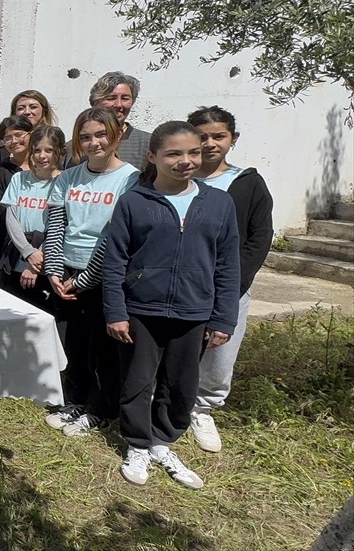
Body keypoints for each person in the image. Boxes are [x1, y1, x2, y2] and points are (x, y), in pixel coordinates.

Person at [104, 121, 239, 490]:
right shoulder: (134, 201)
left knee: (181, 384)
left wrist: (224, 317)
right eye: (174, 154)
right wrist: (116, 311)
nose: (186, 161)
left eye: (193, 152)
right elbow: (115, 259)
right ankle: (137, 443)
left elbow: (228, 263)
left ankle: (163, 440)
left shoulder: (219, 203)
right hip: (141, 310)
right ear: (153, 157)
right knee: (137, 380)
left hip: (194, 311)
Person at [41, 107, 140, 438]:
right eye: (86, 137)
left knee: (104, 348)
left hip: (106, 275)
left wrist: (86, 280)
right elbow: (57, 225)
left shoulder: (131, 179)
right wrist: (54, 271)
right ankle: (76, 400)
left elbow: (115, 235)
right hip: (66, 272)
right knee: (74, 343)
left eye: (101, 134)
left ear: (117, 134)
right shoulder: (69, 176)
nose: (94, 142)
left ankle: (101, 409)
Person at [187, 106, 273, 453]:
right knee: (178, 347)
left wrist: (235, 283)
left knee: (219, 352)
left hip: (228, 286)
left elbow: (260, 236)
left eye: (218, 136)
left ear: (232, 139)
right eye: (202, 137)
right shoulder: (177, 177)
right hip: (182, 284)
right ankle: (170, 402)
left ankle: (203, 407)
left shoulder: (247, 183)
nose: (209, 143)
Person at [0, 125, 65, 311]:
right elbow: (11, 218)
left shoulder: (65, 182)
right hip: (17, 254)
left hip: (46, 259)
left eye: (49, 150)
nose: (42, 156)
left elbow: (59, 226)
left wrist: (35, 265)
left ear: (60, 151)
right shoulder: (19, 179)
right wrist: (27, 252)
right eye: (37, 150)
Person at [0, 116, 34, 271]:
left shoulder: (47, 169)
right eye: (7, 138)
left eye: (19, 135)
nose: (14, 141)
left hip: (44, 248)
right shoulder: (0, 173)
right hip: (9, 251)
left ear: (31, 134)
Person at [88, 72, 151, 169]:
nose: (118, 104)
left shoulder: (148, 143)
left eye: (125, 98)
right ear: (95, 102)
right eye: (111, 98)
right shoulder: (75, 147)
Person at [0, 90, 60, 168]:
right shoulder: (0, 148)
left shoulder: (54, 141)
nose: (27, 112)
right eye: (21, 108)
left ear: (44, 110)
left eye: (33, 107)